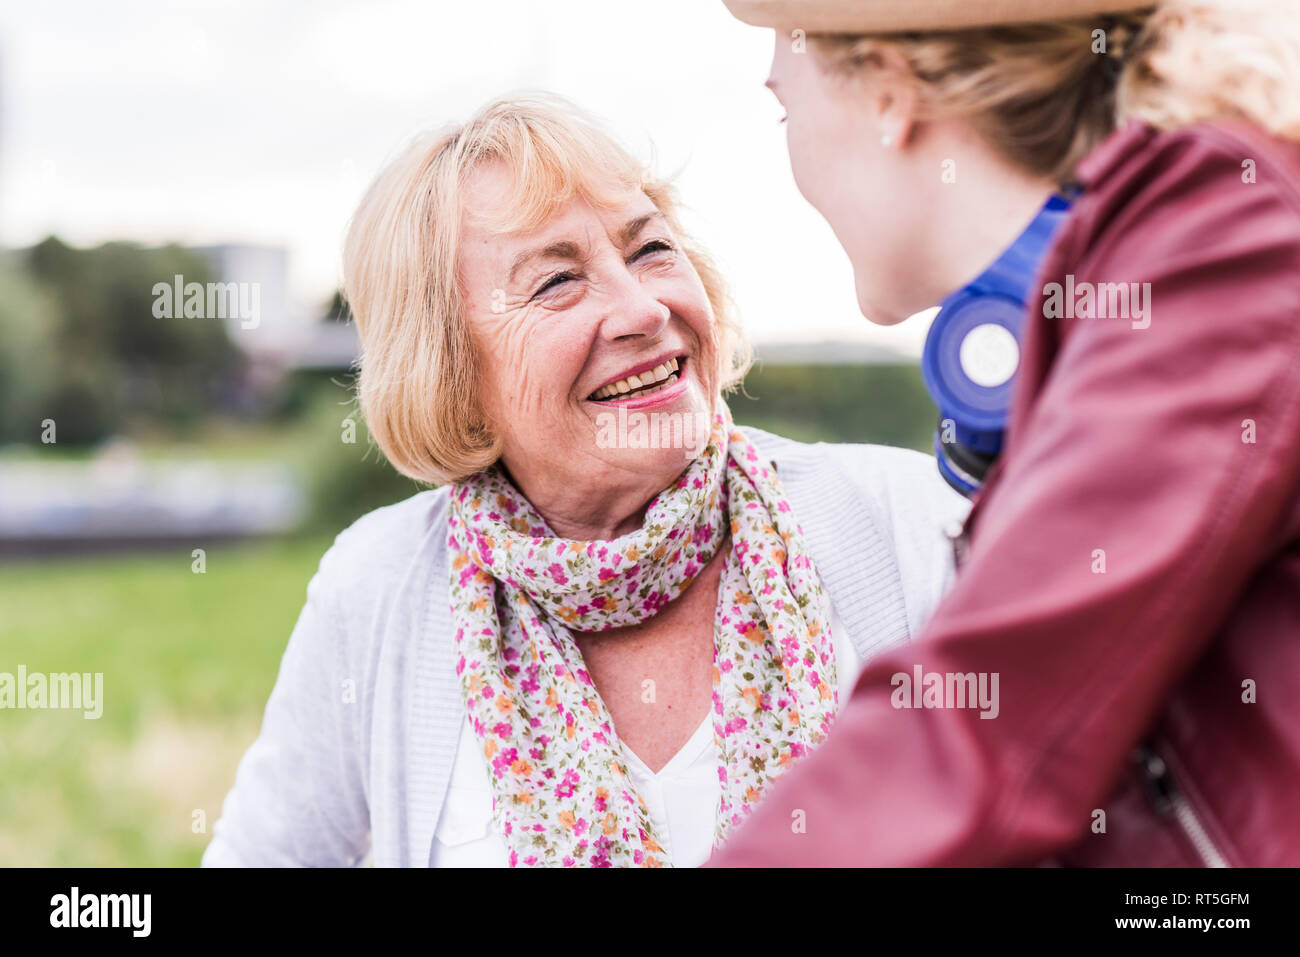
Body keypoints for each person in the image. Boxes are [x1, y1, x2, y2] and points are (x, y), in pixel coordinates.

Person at [201, 92, 968, 868]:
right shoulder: (378, 591)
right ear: (451, 369)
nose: (642, 308)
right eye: (557, 282)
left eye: (651, 251)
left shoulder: (909, 524)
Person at [709, 0, 1300, 866]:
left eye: (784, 110)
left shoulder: (1219, 239)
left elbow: (981, 726)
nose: (790, 148)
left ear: (889, 90)